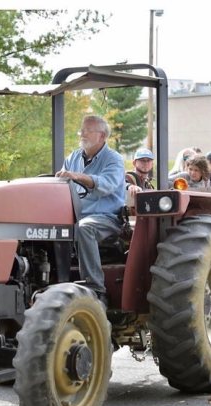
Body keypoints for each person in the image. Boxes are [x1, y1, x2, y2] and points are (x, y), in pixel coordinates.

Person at [56, 115, 125, 306]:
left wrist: (78, 176)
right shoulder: (74, 157)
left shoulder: (114, 160)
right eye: (82, 130)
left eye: (87, 130)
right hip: (76, 216)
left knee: (85, 228)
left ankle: (95, 288)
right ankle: (53, 280)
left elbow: (106, 184)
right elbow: (63, 183)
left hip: (107, 218)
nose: (82, 134)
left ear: (102, 136)